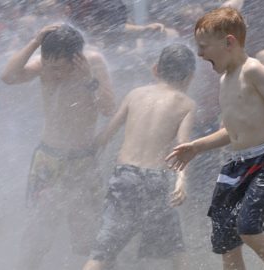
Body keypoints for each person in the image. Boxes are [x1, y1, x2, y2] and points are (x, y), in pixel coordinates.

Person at [166, 7, 264, 270]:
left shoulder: (254, 70)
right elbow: (232, 131)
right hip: (236, 164)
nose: (200, 54)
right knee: (225, 236)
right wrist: (197, 146)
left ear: (229, 42)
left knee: (247, 226)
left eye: (203, 47)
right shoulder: (225, 80)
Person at [0, 24, 115, 270]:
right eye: (48, 65)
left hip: (83, 160)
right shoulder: (43, 63)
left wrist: (89, 82)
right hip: (48, 160)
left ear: (76, 59)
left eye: (59, 67)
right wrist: (34, 41)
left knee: (88, 238)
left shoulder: (93, 63)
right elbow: (8, 77)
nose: (53, 72)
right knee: (36, 236)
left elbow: (108, 109)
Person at [82, 43, 196, 270]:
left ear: (156, 69)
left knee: (103, 252)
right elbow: (182, 149)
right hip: (156, 180)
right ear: (190, 77)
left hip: (124, 177)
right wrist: (182, 180)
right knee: (176, 250)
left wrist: (83, 160)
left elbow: (105, 135)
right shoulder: (186, 104)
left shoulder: (135, 94)